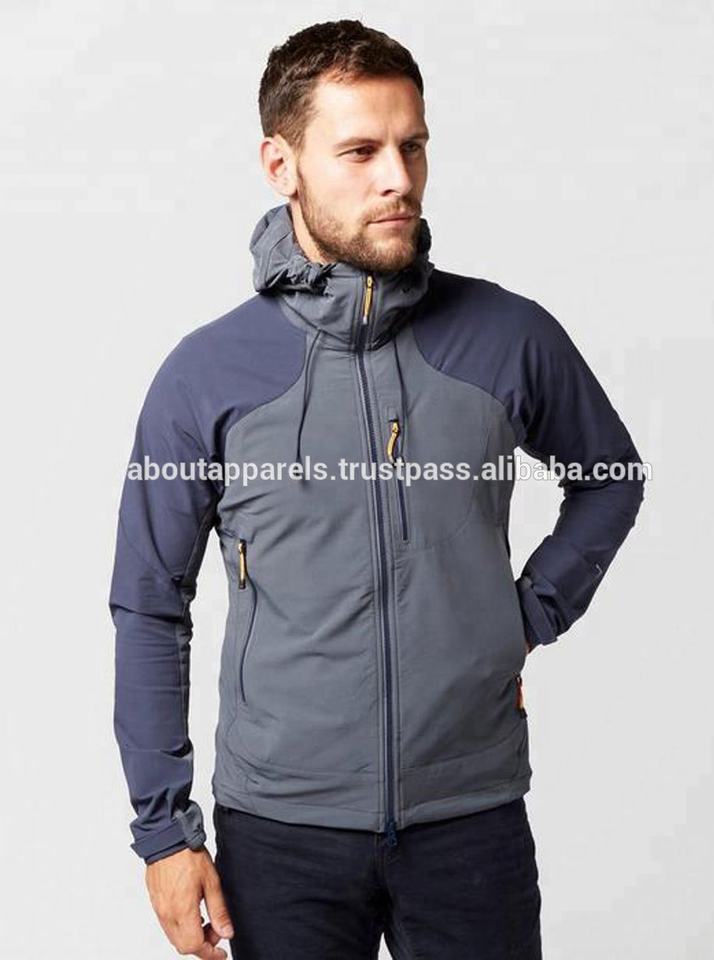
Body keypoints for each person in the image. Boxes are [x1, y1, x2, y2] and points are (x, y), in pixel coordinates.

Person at [109, 18, 645, 960]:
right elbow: (151, 603)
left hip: (469, 816)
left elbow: (610, 479)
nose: (398, 177)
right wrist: (164, 831)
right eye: (360, 152)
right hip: (279, 832)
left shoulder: (507, 336)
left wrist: (523, 616)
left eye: (413, 146)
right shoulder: (206, 375)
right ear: (281, 166)